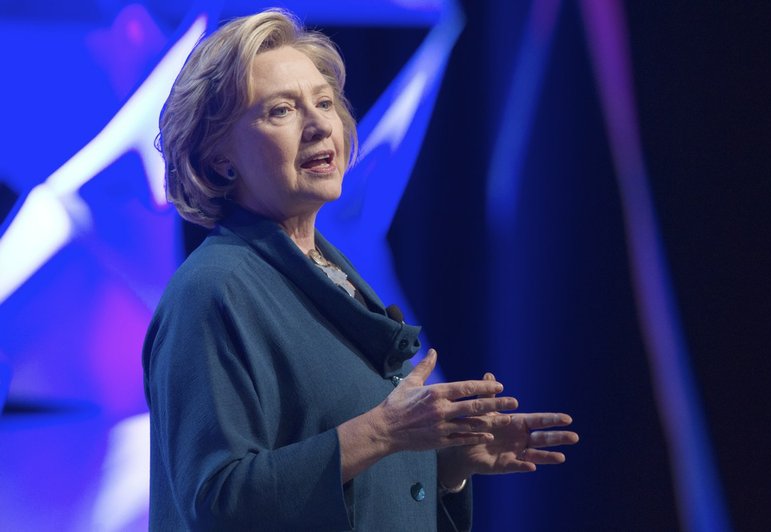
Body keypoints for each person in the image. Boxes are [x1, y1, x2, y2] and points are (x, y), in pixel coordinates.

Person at [143, 7, 578, 531]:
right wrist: (385, 432)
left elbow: (337, 477)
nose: (319, 125)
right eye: (282, 110)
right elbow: (216, 504)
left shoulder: (337, 280)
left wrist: (443, 466)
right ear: (219, 159)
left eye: (324, 103)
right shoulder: (213, 292)